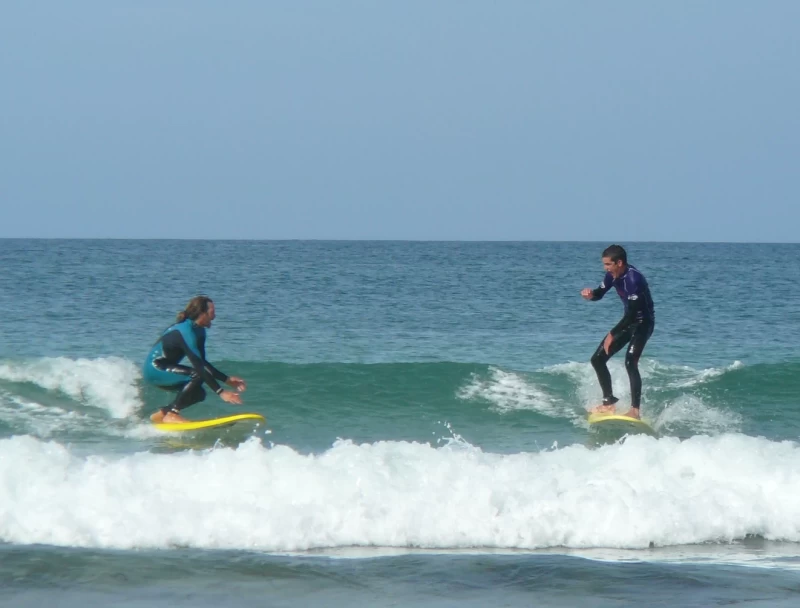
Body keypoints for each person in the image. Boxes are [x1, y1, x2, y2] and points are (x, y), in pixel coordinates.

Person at [143, 295, 246, 423]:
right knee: (196, 375)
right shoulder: (185, 331)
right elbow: (199, 367)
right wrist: (221, 392)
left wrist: (227, 379)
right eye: (212, 312)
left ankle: (162, 414)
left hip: (165, 368)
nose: (214, 317)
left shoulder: (199, 331)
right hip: (155, 369)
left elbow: (202, 362)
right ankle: (172, 414)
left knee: (198, 394)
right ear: (202, 313)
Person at [580, 245, 654, 419]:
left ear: (619, 263)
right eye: (604, 264)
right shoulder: (612, 275)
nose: (605, 268)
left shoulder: (634, 279)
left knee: (630, 362)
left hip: (643, 323)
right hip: (628, 322)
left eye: (608, 264)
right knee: (598, 359)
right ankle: (608, 403)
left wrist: (611, 334)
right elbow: (600, 293)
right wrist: (591, 295)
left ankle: (635, 411)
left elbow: (632, 314)